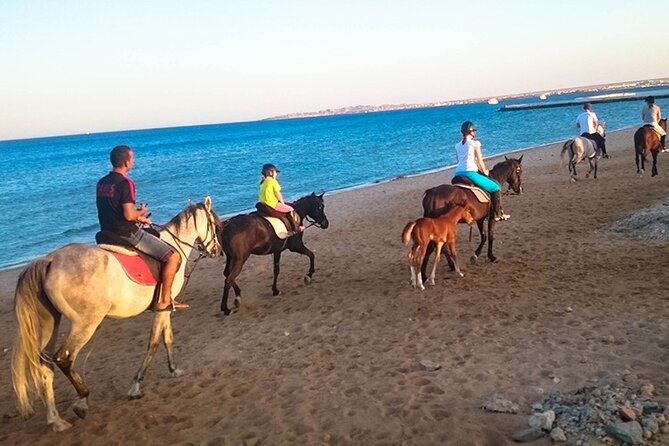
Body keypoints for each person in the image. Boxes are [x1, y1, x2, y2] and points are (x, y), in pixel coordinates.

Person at [96, 145, 186, 312]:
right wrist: (141, 211)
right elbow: (129, 215)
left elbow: (113, 210)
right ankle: (164, 301)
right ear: (126, 162)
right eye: (132, 159)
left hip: (105, 232)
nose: (134, 162)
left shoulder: (102, 183)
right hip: (126, 233)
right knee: (172, 256)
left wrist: (140, 218)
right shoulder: (126, 183)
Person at [453, 121, 510, 221]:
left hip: (458, 173)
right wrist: (485, 171)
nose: (475, 132)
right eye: (474, 130)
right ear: (470, 132)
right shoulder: (475, 143)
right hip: (470, 173)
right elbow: (479, 161)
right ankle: (497, 214)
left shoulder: (457, 145)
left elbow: (459, 161)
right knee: (495, 187)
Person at [256, 163, 302, 232]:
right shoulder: (273, 181)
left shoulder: (262, 182)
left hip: (262, 204)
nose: (276, 174)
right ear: (270, 172)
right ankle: (295, 228)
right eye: (275, 172)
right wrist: (283, 203)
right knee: (290, 209)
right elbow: (278, 194)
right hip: (271, 204)